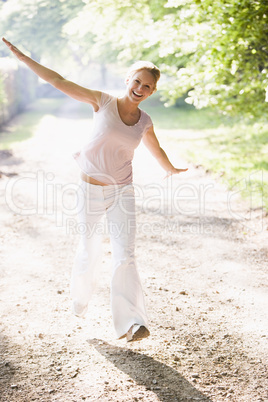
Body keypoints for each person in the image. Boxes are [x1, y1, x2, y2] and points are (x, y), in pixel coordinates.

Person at [2, 37, 188, 342]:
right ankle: (81, 298)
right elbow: (58, 80)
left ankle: (132, 322)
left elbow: (156, 149)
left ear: (152, 92)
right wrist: (23, 58)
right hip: (89, 190)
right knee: (89, 249)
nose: (140, 89)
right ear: (128, 79)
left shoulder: (145, 121)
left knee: (125, 254)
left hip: (122, 192)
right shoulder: (102, 102)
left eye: (148, 87)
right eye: (137, 82)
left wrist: (170, 169)